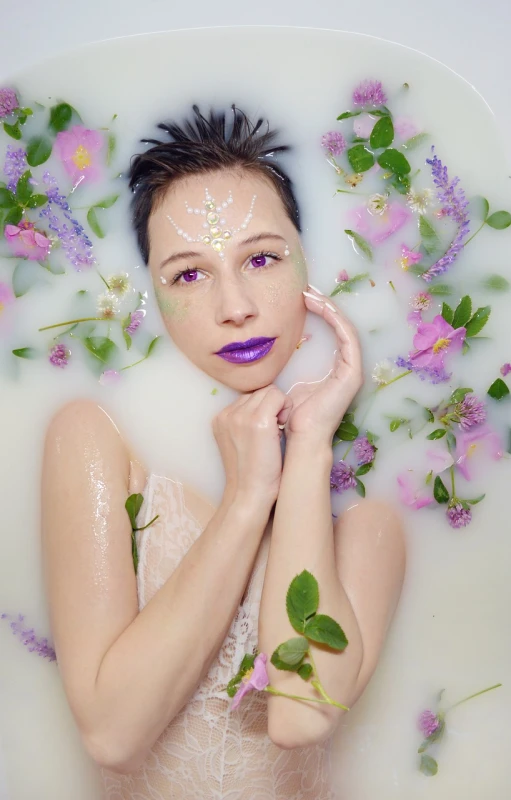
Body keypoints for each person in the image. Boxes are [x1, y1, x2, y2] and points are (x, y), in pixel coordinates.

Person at [41, 106, 406, 799]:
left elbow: (303, 715)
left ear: (310, 266)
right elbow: (112, 734)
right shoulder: (95, 438)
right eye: (188, 275)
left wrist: (304, 453)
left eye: (261, 258)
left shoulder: (370, 523)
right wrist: (243, 500)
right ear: (149, 293)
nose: (234, 305)